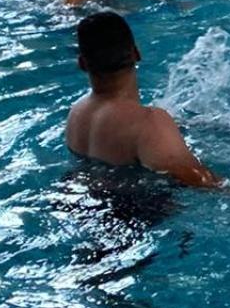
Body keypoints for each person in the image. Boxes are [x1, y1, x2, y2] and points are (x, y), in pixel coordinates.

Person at [65, 12, 221, 187]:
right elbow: (199, 180)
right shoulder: (148, 123)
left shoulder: (76, 113)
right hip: (134, 203)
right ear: (137, 53)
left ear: (82, 64)